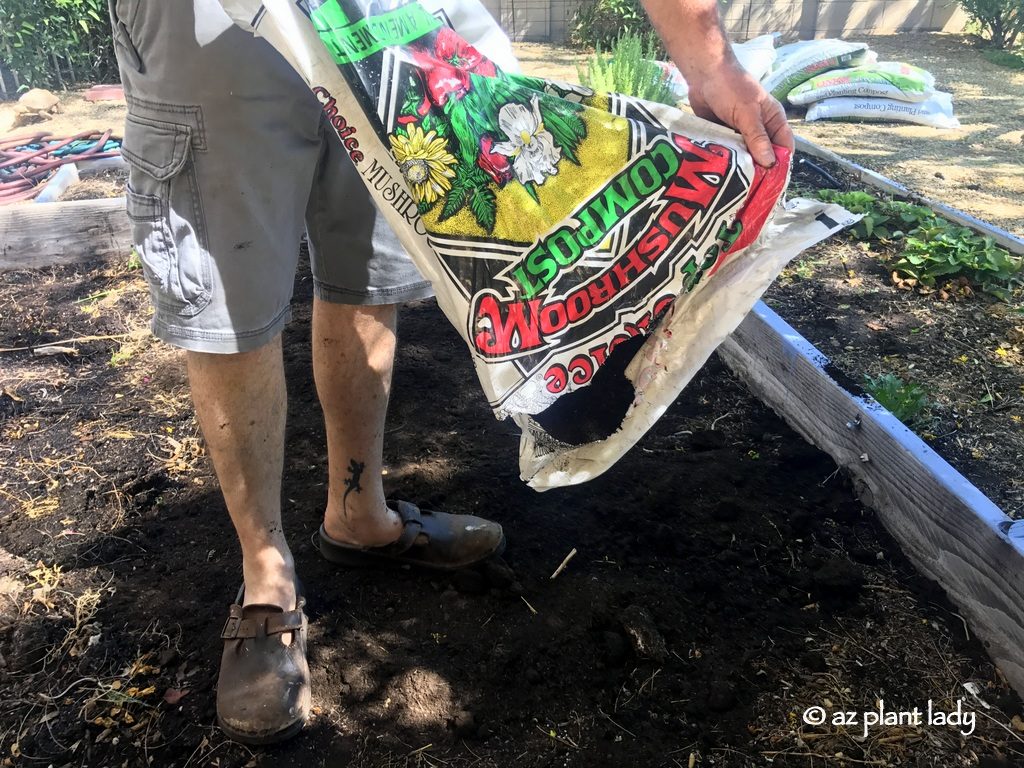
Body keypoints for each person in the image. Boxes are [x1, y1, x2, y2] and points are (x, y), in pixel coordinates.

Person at [107, 0, 794, 747]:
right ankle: (266, 575)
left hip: (381, 20)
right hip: (211, 25)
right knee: (228, 301)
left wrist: (710, 63)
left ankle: (358, 514)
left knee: (370, 269)